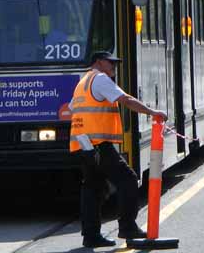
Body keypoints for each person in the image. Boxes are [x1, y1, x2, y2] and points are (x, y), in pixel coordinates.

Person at [69, 51, 168, 248]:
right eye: (111, 62)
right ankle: (127, 227)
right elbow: (126, 99)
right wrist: (152, 112)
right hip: (98, 144)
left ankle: (90, 236)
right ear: (98, 62)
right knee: (128, 179)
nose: (114, 66)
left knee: (93, 188)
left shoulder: (83, 82)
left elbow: (72, 108)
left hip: (82, 144)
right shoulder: (100, 78)